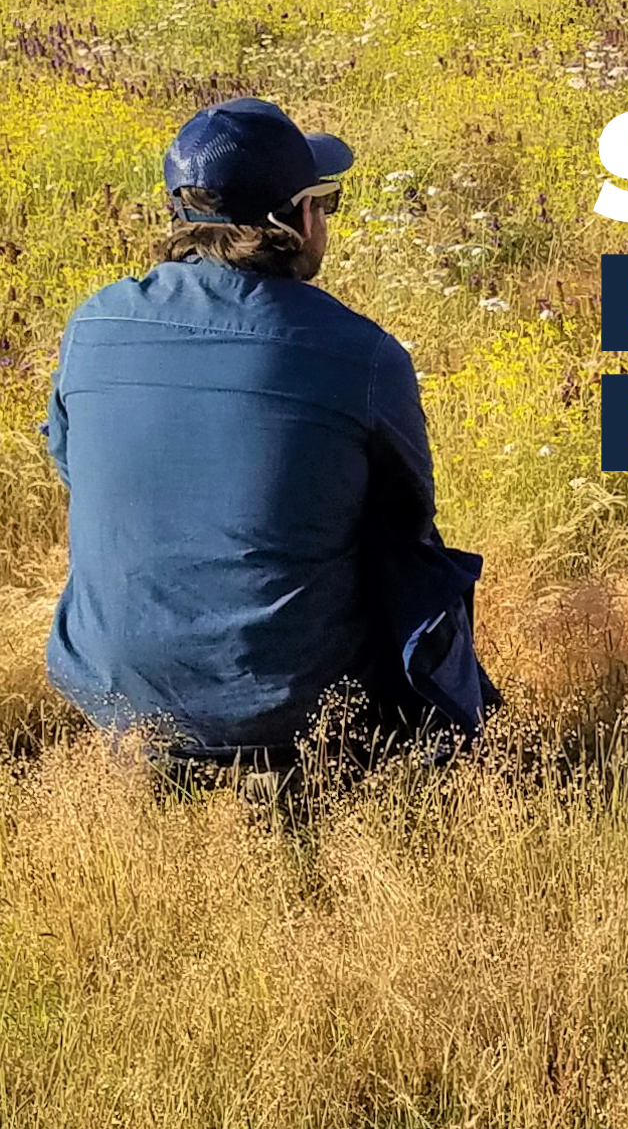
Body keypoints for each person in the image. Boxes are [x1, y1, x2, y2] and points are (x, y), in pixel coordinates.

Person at [43, 97, 493, 786]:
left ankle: (171, 753)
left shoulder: (92, 323)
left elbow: (72, 466)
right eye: (326, 203)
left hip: (108, 681)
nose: (327, 222)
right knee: (418, 568)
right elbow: (409, 516)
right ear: (296, 218)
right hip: (290, 695)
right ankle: (351, 770)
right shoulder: (359, 353)